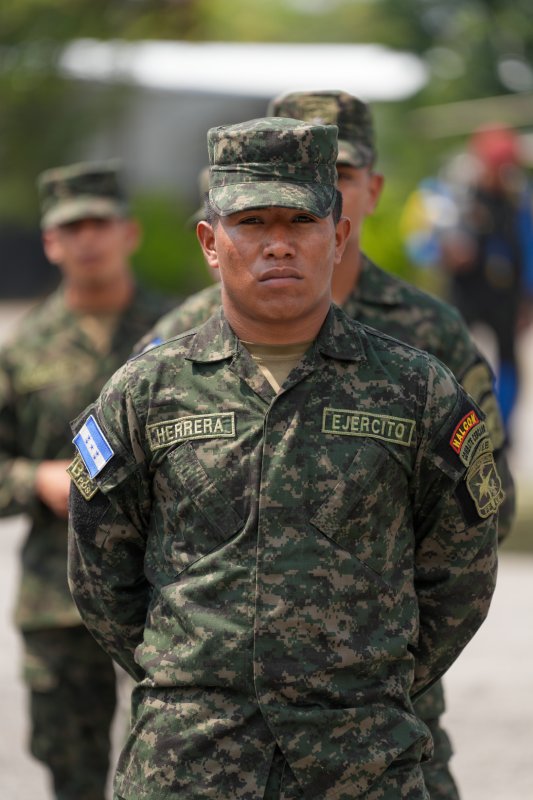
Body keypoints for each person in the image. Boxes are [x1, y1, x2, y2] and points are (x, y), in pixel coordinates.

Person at [68, 117, 500, 800]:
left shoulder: (416, 389)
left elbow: (461, 571)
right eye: (251, 222)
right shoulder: (145, 391)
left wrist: (363, 685)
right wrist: (193, 679)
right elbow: (100, 575)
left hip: (359, 763)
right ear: (210, 242)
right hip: (190, 764)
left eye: (301, 220)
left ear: (339, 236)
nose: (277, 243)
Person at [0, 160, 173, 800]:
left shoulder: (176, 335)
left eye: (100, 223)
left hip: (168, 589)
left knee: (174, 767)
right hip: (60, 597)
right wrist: (34, 479)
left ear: (129, 233)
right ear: (51, 242)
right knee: (72, 773)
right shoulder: (23, 349)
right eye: (72, 228)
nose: (88, 239)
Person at [438, 124, 533, 438]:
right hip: (465, 291)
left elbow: (528, 246)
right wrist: (447, 250)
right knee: (453, 356)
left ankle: (501, 427)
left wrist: (528, 298)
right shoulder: (455, 195)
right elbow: (425, 241)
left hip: (505, 295)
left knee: (509, 359)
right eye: (497, 165)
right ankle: (453, 426)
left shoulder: (518, 200)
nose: (502, 173)